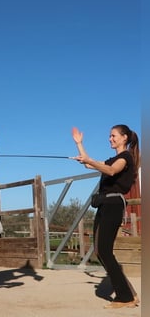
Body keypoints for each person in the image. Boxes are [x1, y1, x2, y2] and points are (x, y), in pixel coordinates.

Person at [71, 124, 140, 309]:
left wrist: (90, 160)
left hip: (113, 205)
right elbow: (89, 163)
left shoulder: (125, 158)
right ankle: (129, 293)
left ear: (124, 138)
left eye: (113, 136)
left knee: (103, 251)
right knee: (101, 251)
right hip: (104, 205)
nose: (110, 139)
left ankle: (125, 297)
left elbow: (110, 170)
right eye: (109, 136)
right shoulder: (113, 158)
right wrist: (80, 145)